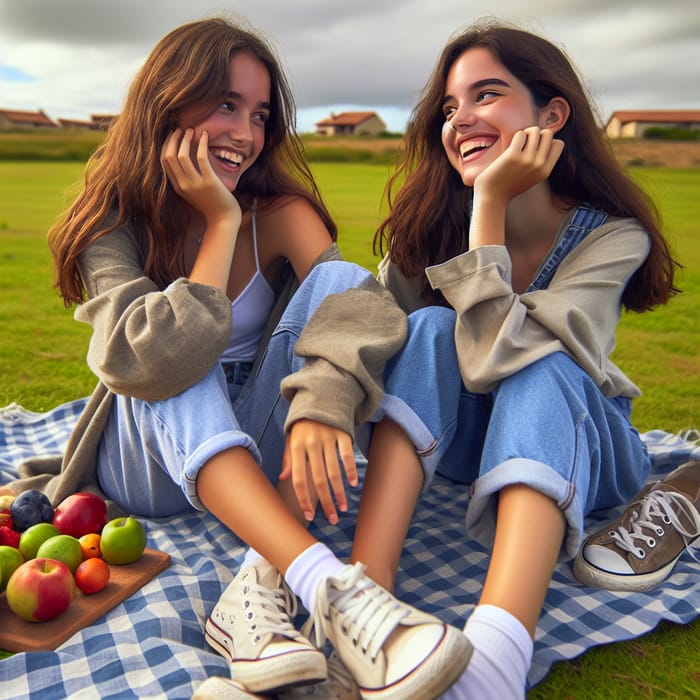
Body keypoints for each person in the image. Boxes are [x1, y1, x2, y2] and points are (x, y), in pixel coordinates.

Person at [3, 16, 471, 700]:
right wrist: (219, 223)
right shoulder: (113, 222)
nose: (246, 134)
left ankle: (285, 593)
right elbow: (143, 361)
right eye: (226, 104)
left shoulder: (280, 210)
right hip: (147, 461)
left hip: (252, 436)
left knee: (349, 286)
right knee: (168, 353)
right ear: (168, 99)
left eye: (257, 115)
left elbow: (365, 306)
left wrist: (321, 401)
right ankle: (325, 585)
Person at [279, 19, 683, 699]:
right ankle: (362, 597)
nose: (460, 119)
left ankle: (497, 653)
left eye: (486, 96)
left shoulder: (614, 238)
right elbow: (369, 325)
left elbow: (506, 355)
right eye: (449, 107)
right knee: (432, 328)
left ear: (551, 115)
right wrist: (321, 399)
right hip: (470, 451)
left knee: (542, 363)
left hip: (584, 453)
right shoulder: (433, 226)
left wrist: (489, 202)